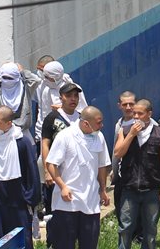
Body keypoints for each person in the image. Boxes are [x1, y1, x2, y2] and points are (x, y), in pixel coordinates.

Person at [45, 107, 110, 249]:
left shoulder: (99, 137)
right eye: (99, 123)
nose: (102, 126)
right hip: (67, 203)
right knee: (64, 244)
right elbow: (51, 164)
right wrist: (63, 186)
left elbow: (102, 165)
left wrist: (103, 189)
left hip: (90, 202)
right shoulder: (65, 136)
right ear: (86, 123)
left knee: (89, 244)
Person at [0, 106, 39, 249]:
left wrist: (30, 199)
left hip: (17, 201)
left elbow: (31, 171)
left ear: (8, 123)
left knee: (21, 241)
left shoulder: (22, 143)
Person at [113, 99, 160, 249]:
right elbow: (118, 153)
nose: (136, 117)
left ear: (149, 114)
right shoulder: (124, 131)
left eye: (140, 113)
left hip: (151, 189)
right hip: (129, 188)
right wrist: (131, 135)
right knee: (125, 228)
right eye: (134, 114)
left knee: (150, 229)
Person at [0, 63, 41, 132]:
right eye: (4, 77)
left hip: (23, 132)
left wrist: (22, 71)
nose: (7, 81)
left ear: (17, 77)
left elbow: (37, 80)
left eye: (10, 78)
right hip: (0, 133)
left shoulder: (26, 88)